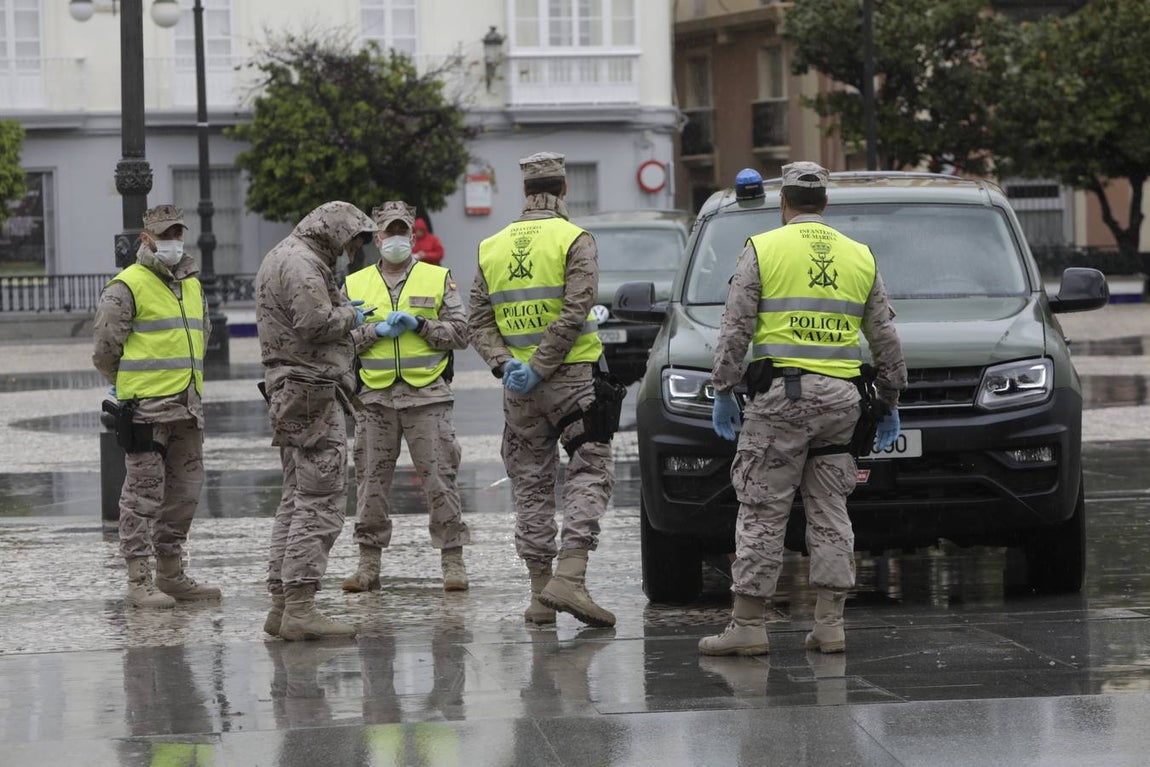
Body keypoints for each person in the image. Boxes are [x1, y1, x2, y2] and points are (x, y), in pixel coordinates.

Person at [699, 161, 907, 657]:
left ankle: (749, 627)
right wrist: (891, 400)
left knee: (763, 509)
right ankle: (830, 625)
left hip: (781, 403)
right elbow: (886, 338)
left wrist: (724, 389)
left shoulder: (763, 248)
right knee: (831, 509)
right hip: (842, 403)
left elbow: (735, 328)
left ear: (784, 203)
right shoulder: (859, 256)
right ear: (826, 204)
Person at [469, 151, 619, 628]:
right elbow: (576, 312)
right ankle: (569, 578)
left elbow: (477, 319)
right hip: (572, 379)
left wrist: (506, 366)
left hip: (520, 392)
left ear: (525, 192)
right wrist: (539, 366)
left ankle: (539, 596)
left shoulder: (492, 245)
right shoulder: (575, 239)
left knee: (531, 482)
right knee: (589, 470)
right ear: (564, 190)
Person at [256, 200, 377, 641]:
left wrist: (356, 326)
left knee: (295, 498)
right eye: (350, 242)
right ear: (333, 233)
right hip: (309, 391)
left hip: (295, 390)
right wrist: (352, 316)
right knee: (320, 500)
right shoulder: (302, 262)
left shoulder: (284, 255)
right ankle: (301, 606)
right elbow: (314, 321)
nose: (351, 253)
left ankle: (282, 605)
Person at [339, 201, 471, 594]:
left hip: (427, 395)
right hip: (375, 400)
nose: (396, 239)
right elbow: (341, 341)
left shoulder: (437, 277)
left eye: (403, 232)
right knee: (370, 484)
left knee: (440, 480)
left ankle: (452, 560)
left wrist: (421, 325)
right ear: (377, 239)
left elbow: (461, 333)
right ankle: (367, 563)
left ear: (412, 237)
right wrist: (373, 332)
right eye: (388, 233)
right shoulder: (354, 284)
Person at [93, 204, 220, 608]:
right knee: (142, 496)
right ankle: (138, 579)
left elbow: (202, 336)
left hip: (187, 406)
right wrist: (126, 384)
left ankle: (171, 573)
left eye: (177, 233)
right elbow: (105, 348)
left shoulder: (192, 284)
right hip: (146, 410)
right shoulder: (126, 285)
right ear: (146, 239)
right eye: (164, 235)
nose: (173, 242)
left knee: (184, 495)